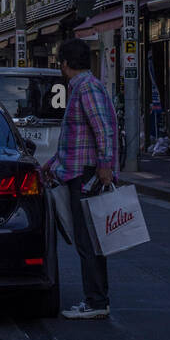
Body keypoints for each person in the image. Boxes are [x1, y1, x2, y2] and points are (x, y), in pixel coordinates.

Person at [44, 37, 118, 320]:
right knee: (90, 239)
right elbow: (77, 138)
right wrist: (52, 164)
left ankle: (96, 301)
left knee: (88, 240)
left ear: (64, 64)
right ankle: (98, 298)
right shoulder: (82, 87)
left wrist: (105, 164)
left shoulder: (86, 88)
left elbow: (103, 130)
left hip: (86, 173)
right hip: (80, 169)